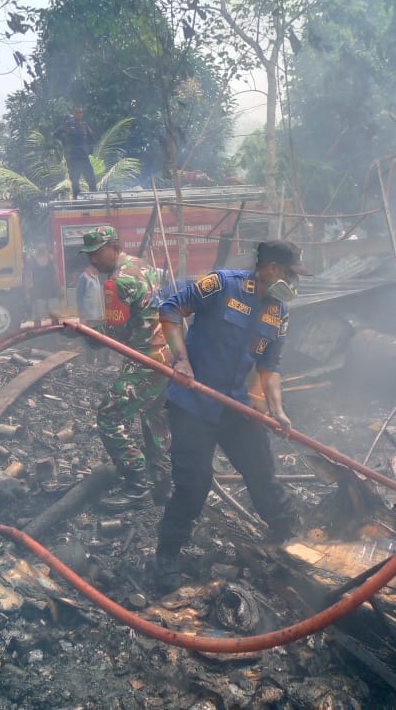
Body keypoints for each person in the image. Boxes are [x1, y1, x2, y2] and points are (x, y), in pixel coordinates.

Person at [151, 240, 308, 592]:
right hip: (193, 404)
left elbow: (270, 364)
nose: (296, 284)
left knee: (262, 472)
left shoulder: (278, 311)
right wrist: (180, 359)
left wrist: (277, 409)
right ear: (270, 268)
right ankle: (166, 555)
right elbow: (171, 309)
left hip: (234, 406)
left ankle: (287, 538)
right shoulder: (222, 284)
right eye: (291, 274)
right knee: (194, 484)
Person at [78, 226, 171, 510]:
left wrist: (83, 334)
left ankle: (137, 485)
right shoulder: (144, 266)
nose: (93, 260)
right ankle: (163, 485)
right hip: (165, 355)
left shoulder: (116, 283)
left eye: (97, 252)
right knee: (155, 419)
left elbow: (113, 335)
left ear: (114, 247)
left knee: (108, 416)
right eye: (89, 255)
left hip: (144, 361)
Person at [54, 107, 98, 199]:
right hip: (72, 158)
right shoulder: (68, 124)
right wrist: (65, 142)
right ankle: (76, 199)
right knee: (74, 181)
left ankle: (95, 198)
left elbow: (92, 138)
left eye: (80, 112)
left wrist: (89, 149)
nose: (78, 114)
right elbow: (56, 133)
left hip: (84, 157)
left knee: (92, 179)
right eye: (77, 112)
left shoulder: (85, 126)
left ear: (82, 114)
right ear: (73, 114)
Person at [27, 243, 62, 325]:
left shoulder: (51, 258)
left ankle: (56, 335)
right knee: (37, 317)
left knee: (55, 316)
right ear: (36, 246)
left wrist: (60, 287)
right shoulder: (31, 259)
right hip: (38, 291)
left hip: (52, 290)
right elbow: (28, 276)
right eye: (39, 243)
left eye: (43, 243)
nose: (42, 245)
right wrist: (28, 292)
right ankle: (38, 336)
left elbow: (56, 273)